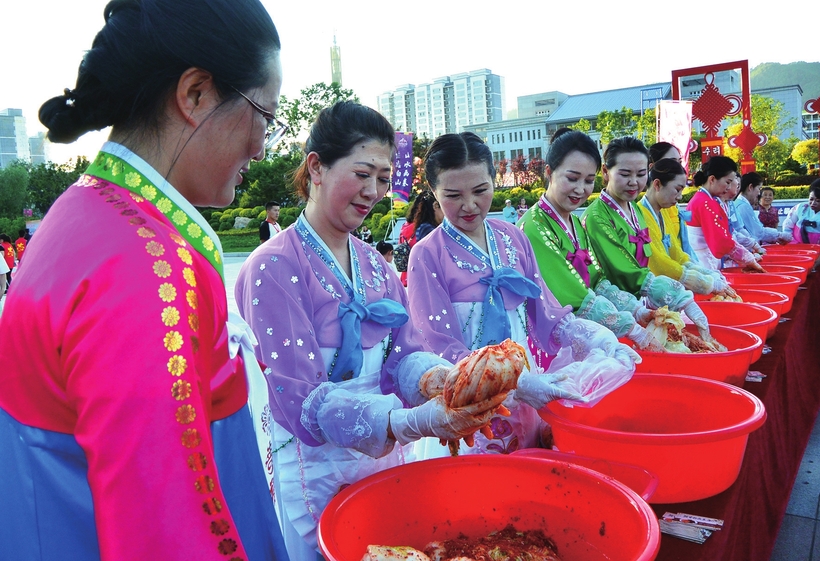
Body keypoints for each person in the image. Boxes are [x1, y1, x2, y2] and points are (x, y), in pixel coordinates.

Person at [0, 1, 290, 559]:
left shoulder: (83, 213)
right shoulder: (148, 265)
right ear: (196, 94)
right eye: (264, 116)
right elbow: (166, 532)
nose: (261, 146)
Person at [235, 102, 501, 558]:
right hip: (315, 468)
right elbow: (301, 400)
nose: (374, 190)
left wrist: (441, 381)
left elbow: (402, 355)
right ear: (316, 167)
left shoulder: (375, 264)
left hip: (382, 460)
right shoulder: (274, 266)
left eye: (382, 177)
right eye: (362, 174)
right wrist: (406, 420)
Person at [407, 131, 640, 457]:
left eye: (480, 190)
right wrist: (515, 383)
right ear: (433, 191)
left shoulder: (512, 238)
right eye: (453, 195)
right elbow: (438, 346)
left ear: (494, 179)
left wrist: (596, 338)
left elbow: (545, 312)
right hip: (472, 403)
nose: (470, 205)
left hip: (529, 391)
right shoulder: (426, 255)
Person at [519, 129, 665, 353]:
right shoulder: (533, 226)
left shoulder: (576, 224)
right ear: (549, 172)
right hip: (556, 342)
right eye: (572, 178)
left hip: (589, 335)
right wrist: (628, 326)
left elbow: (597, 281)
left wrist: (636, 310)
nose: (581, 189)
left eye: (588, 181)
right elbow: (570, 294)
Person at [582, 137, 711, 337]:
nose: (634, 182)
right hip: (615, 313)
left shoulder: (635, 209)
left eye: (641, 174)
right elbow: (624, 270)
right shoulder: (597, 216)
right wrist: (679, 295)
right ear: (606, 173)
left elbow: (650, 257)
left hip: (642, 306)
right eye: (625, 174)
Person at [638, 158, 732, 297]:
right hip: (654, 290)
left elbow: (676, 252)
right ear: (657, 184)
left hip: (670, 286)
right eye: (677, 189)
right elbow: (660, 263)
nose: (680, 197)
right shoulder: (641, 215)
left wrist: (705, 272)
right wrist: (705, 282)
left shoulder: (663, 212)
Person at [686, 156, 765, 273]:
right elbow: (721, 241)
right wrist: (748, 258)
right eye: (727, 182)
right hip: (704, 263)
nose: (728, 188)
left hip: (704, 260)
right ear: (712, 179)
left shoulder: (705, 199)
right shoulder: (705, 202)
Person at [648, 141, 697, 261]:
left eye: (680, 162)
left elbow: (679, 249)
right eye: (672, 162)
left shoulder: (669, 206)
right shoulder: (651, 208)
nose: (678, 167)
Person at [737, 173, 790, 245]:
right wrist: (779, 235)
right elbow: (758, 232)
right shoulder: (743, 206)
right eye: (759, 189)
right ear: (750, 187)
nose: (759, 193)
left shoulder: (740, 203)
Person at [782, 179, 820, 244]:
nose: (813, 203)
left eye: (818, 201)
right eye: (811, 199)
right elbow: (788, 225)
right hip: (797, 247)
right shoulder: (800, 207)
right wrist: (792, 241)